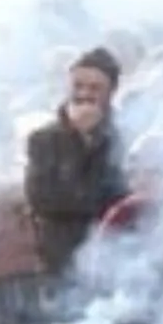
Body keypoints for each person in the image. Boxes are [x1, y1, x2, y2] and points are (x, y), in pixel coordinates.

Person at [17, 47, 126, 279]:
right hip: (59, 261)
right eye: (78, 86)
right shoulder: (43, 140)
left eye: (95, 88)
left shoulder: (123, 138)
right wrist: (77, 141)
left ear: (112, 92)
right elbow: (43, 198)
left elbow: (116, 197)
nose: (85, 94)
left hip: (114, 260)